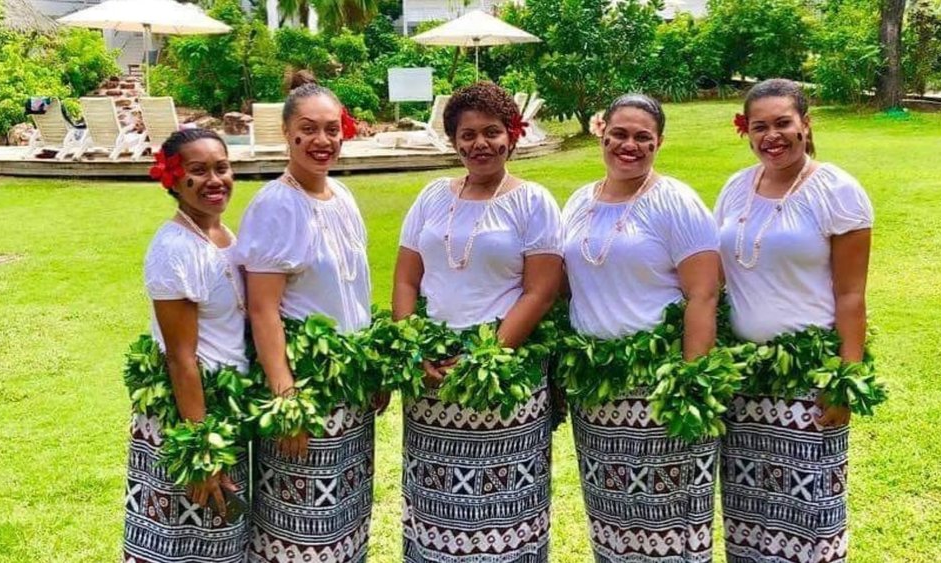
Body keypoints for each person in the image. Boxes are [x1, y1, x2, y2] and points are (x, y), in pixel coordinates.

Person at [392, 81, 564, 562]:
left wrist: (484, 358)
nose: (479, 144)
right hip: (431, 382)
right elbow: (406, 281)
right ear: (454, 140)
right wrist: (413, 348)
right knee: (435, 505)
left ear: (512, 135)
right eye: (467, 135)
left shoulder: (533, 201)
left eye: (491, 132)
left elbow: (541, 290)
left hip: (504, 380)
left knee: (504, 508)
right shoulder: (430, 197)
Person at [716, 78, 874, 563]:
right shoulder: (735, 187)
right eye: (759, 126)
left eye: (783, 123)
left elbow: (850, 294)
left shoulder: (837, 191)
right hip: (741, 385)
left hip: (808, 382)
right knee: (749, 516)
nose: (772, 136)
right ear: (746, 131)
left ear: (805, 124)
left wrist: (845, 381)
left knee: (809, 514)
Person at [562, 94, 722, 562]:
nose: (629, 145)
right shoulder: (579, 201)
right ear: (602, 132)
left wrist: (690, 382)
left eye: (642, 138)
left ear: (659, 143)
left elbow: (704, 293)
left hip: (659, 389)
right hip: (597, 397)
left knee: (666, 519)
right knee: (611, 518)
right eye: (620, 134)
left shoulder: (675, 201)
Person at [237, 71, 378, 563]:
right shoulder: (276, 206)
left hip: (349, 391)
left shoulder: (343, 197)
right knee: (301, 524)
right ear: (287, 134)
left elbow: (356, 292)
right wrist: (287, 402)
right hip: (304, 390)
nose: (323, 141)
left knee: (346, 515)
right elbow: (262, 309)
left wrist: (373, 368)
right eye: (309, 129)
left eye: (332, 129)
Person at [123, 129, 250, 563]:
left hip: (225, 406)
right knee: (186, 538)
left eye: (222, 167)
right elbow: (180, 358)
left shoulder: (224, 235)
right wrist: (200, 449)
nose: (215, 180)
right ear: (173, 180)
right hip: (191, 413)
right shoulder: (174, 249)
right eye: (198, 171)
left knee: (223, 537)